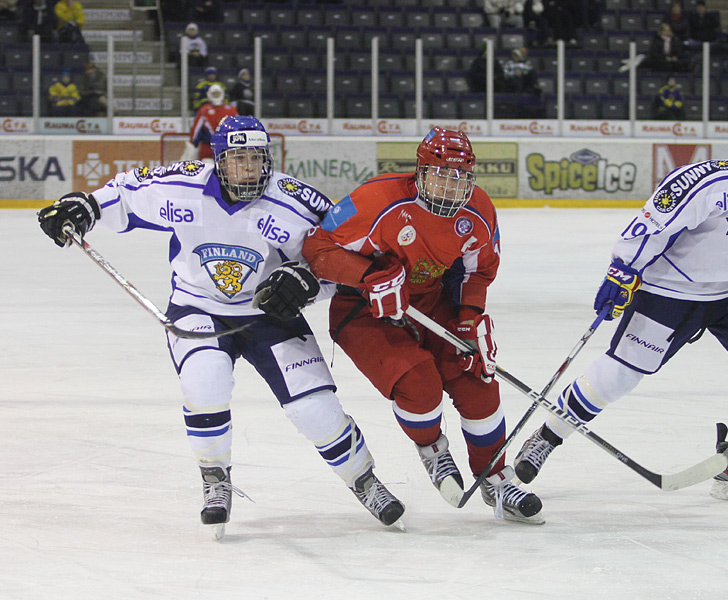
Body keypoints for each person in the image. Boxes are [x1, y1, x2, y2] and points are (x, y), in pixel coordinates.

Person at [36, 116, 406, 535]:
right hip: (199, 307)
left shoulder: (295, 202)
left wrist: (306, 282)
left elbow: (339, 259)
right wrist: (87, 206)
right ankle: (215, 479)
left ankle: (365, 480)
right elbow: (126, 192)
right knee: (204, 381)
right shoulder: (183, 185)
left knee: (314, 408)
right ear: (218, 160)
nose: (248, 168)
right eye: (238, 159)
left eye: (256, 158)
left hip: (269, 313)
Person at [513, 106, 728, 504]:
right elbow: (654, 223)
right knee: (619, 377)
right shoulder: (712, 180)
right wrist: (624, 268)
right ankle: (547, 437)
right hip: (669, 289)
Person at [259, 127, 544, 524]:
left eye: (461, 177)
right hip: (363, 311)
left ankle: (495, 477)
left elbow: (478, 272)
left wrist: (469, 318)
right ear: (421, 172)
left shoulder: (478, 210)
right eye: (441, 175)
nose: (450, 187)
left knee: (477, 381)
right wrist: (368, 276)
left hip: (431, 303)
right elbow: (318, 248)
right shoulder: (378, 199)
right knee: (419, 384)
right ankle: (433, 451)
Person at [190, 83, 237, 161]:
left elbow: (238, 129)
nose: (216, 95)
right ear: (209, 94)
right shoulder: (204, 110)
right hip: (208, 150)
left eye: (217, 93)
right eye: (214, 94)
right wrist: (194, 143)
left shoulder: (231, 110)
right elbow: (195, 130)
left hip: (227, 149)